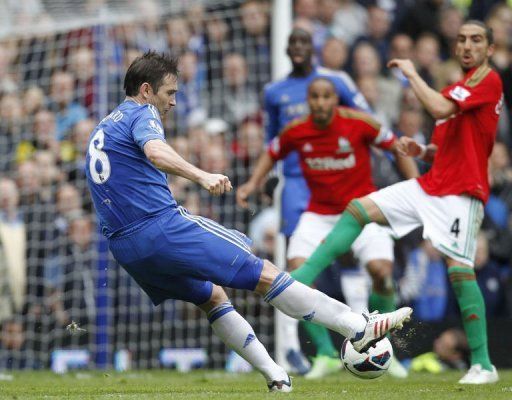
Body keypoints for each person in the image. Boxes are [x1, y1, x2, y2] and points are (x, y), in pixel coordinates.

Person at [84, 51, 412, 392]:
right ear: (147, 89)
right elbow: (154, 150)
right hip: (160, 227)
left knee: (212, 296)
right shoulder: (143, 112)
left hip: (125, 248)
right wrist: (201, 175)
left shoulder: (104, 126)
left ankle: (276, 377)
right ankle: (356, 326)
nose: (174, 102)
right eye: (171, 93)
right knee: (265, 273)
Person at [291, 20, 502, 385]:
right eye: (462, 39)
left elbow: (437, 109)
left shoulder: (488, 81)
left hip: (460, 195)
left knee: (459, 271)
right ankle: (297, 282)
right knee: (359, 209)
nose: (467, 45)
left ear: (490, 49)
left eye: (476, 40)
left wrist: (410, 73)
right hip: (430, 184)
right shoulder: (456, 90)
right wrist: (422, 150)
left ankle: (483, 363)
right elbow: (450, 146)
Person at [238, 77, 418, 379]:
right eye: (315, 97)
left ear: (336, 99)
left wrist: (414, 187)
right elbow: (272, 152)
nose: (320, 103)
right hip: (318, 215)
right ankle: (324, 353)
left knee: (383, 275)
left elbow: (396, 146)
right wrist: (253, 184)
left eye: (326, 97)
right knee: (296, 276)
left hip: (363, 213)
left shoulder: (360, 123)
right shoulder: (296, 131)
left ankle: (385, 348)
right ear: (308, 101)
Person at [264, 27, 371, 376]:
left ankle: (364, 333)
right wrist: (267, 177)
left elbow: (363, 117)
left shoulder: (334, 81)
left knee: (353, 257)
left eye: (303, 42)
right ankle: (319, 351)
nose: (297, 48)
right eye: (292, 42)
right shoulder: (274, 91)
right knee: (298, 263)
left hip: (337, 178)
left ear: (314, 48)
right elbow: (271, 139)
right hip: (296, 184)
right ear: (285, 48)